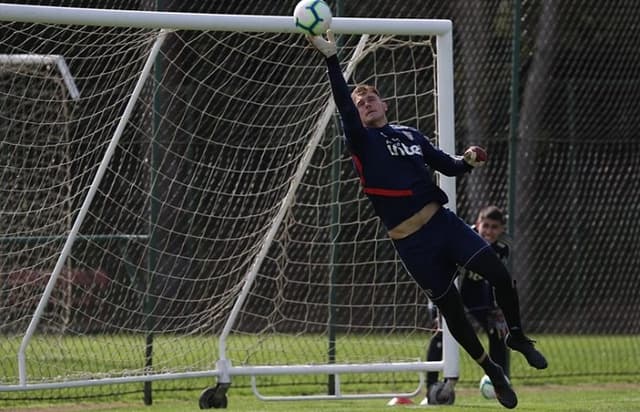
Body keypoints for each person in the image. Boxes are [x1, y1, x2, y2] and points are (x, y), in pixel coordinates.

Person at [306, 31, 547, 409]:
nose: (365, 102)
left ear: (384, 103)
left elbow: (447, 166)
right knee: (452, 312)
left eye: (371, 97)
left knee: (500, 275)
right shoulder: (360, 140)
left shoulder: (410, 135)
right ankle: (493, 372)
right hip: (412, 244)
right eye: (360, 101)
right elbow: (343, 102)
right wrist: (332, 59)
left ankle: (517, 336)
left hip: (443, 225)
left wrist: (467, 161)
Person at [425, 205, 511, 403]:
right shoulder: (464, 239)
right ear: (478, 224)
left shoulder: (502, 249)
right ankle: (432, 389)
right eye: (486, 226)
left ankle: (501, 384)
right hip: (447, 290)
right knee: (442, 335)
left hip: (477, 295)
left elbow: (496, 279)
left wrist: (498, 309)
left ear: (501, 229)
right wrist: (440, 309)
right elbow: (444, 271)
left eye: (494, 227)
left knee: (498, 332)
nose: (489, 231)